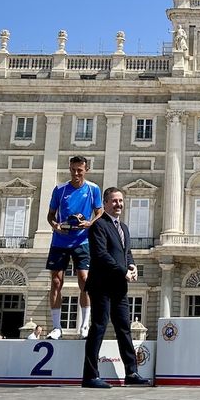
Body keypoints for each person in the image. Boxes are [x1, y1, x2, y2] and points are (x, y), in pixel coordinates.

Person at [82, 187, 149, 388]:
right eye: (114, 201)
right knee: (99, 327)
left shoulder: (124, 227)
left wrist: (132, 266)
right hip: (101, 285)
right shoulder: (98, 225)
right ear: (105, 204)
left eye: (120, 200)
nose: (118, 204)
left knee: (124, 328)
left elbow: (126, 252)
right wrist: (123, 271)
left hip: (119, 287)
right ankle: (90, 376)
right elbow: (101, 255)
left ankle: (131, 373)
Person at [46, 155, 104, 340]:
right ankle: (57, 327)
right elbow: (50, 215)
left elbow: (100, 211)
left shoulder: (93, 189)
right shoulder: (60, 189)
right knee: (56, 282)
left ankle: (84, 325)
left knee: (85, 280)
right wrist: (55, 226)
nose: (76, 173)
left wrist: (90, 223)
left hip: (83, 240)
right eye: (73, 170)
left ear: (86, 169)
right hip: (60, 240)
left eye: (80, 170)